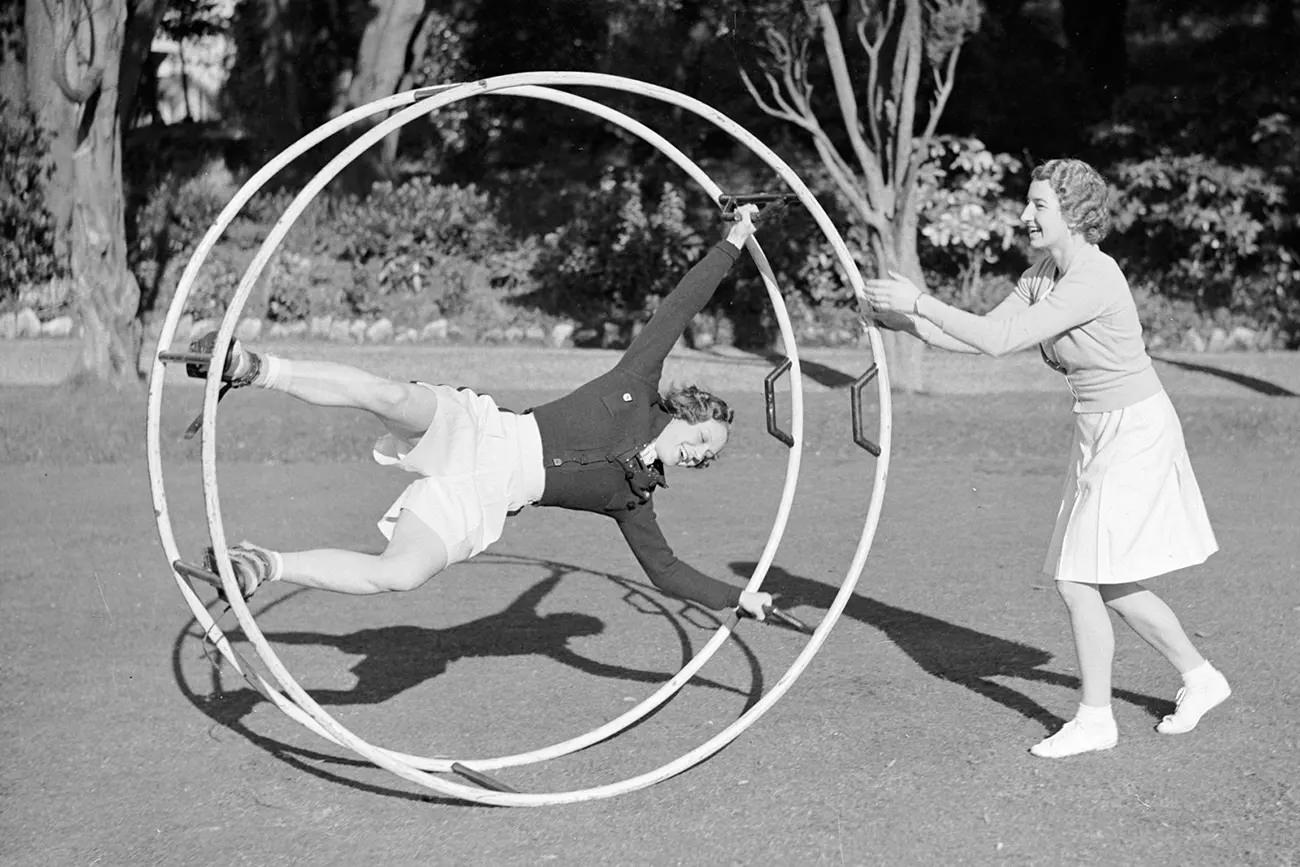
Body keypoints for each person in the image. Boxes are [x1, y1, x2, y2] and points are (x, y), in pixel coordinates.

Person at [188, 205, 775, 622]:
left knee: (400, 574)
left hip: (481, 501)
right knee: (390, 397)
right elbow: (678, 309)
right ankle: (249, 366)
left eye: (708, 458)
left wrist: (735, 596)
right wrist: (734, 242)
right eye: (703, 438)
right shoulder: (635, 383)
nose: (700, 455)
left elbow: (666, 571)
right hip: (480, 432)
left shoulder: (636, 499)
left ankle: (260, 566)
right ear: (686, 410)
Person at [860, 158, 1229, 758]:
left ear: (1077, 216)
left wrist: (922, 300)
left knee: (1078, 578)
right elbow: (983, 336)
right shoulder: (1043, 274)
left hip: (1135, 428)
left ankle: (1096, 719)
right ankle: (1200, 677)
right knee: (1102, 578)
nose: (1024, 216)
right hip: (1097, 428)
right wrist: (904, 321)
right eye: (1027, 204)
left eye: (1038, 206)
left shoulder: (1094, 277)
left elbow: (1002, 340)